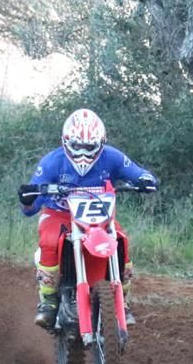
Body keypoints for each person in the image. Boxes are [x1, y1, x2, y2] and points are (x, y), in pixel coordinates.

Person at [20, 108, 158, 328]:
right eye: (77, 146)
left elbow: (136, 171)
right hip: (59, 214)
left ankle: (122, 302)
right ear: (66, 142)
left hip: (100, 218)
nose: (83, 153)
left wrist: (146, 180)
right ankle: (48, 301)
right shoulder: (52, 161)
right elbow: (31, 203)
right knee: (48, 241)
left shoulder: (112, 157)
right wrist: (28, 198)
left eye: (90, 147)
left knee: (122, 240)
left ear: (100, 143)